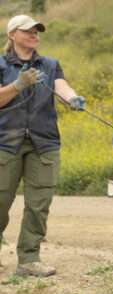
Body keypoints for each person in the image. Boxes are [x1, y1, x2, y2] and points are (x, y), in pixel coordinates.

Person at [0, 15, 85, 277]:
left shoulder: (49, 64)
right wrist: (17, 84)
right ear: (13, 34)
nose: (35, 34)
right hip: (6, 142)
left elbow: (61, 86)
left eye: (37, 30)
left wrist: (73, 98)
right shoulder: (1, 65)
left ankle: (28, 259)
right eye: (28, 30)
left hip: (44, 142)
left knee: (38, 205)